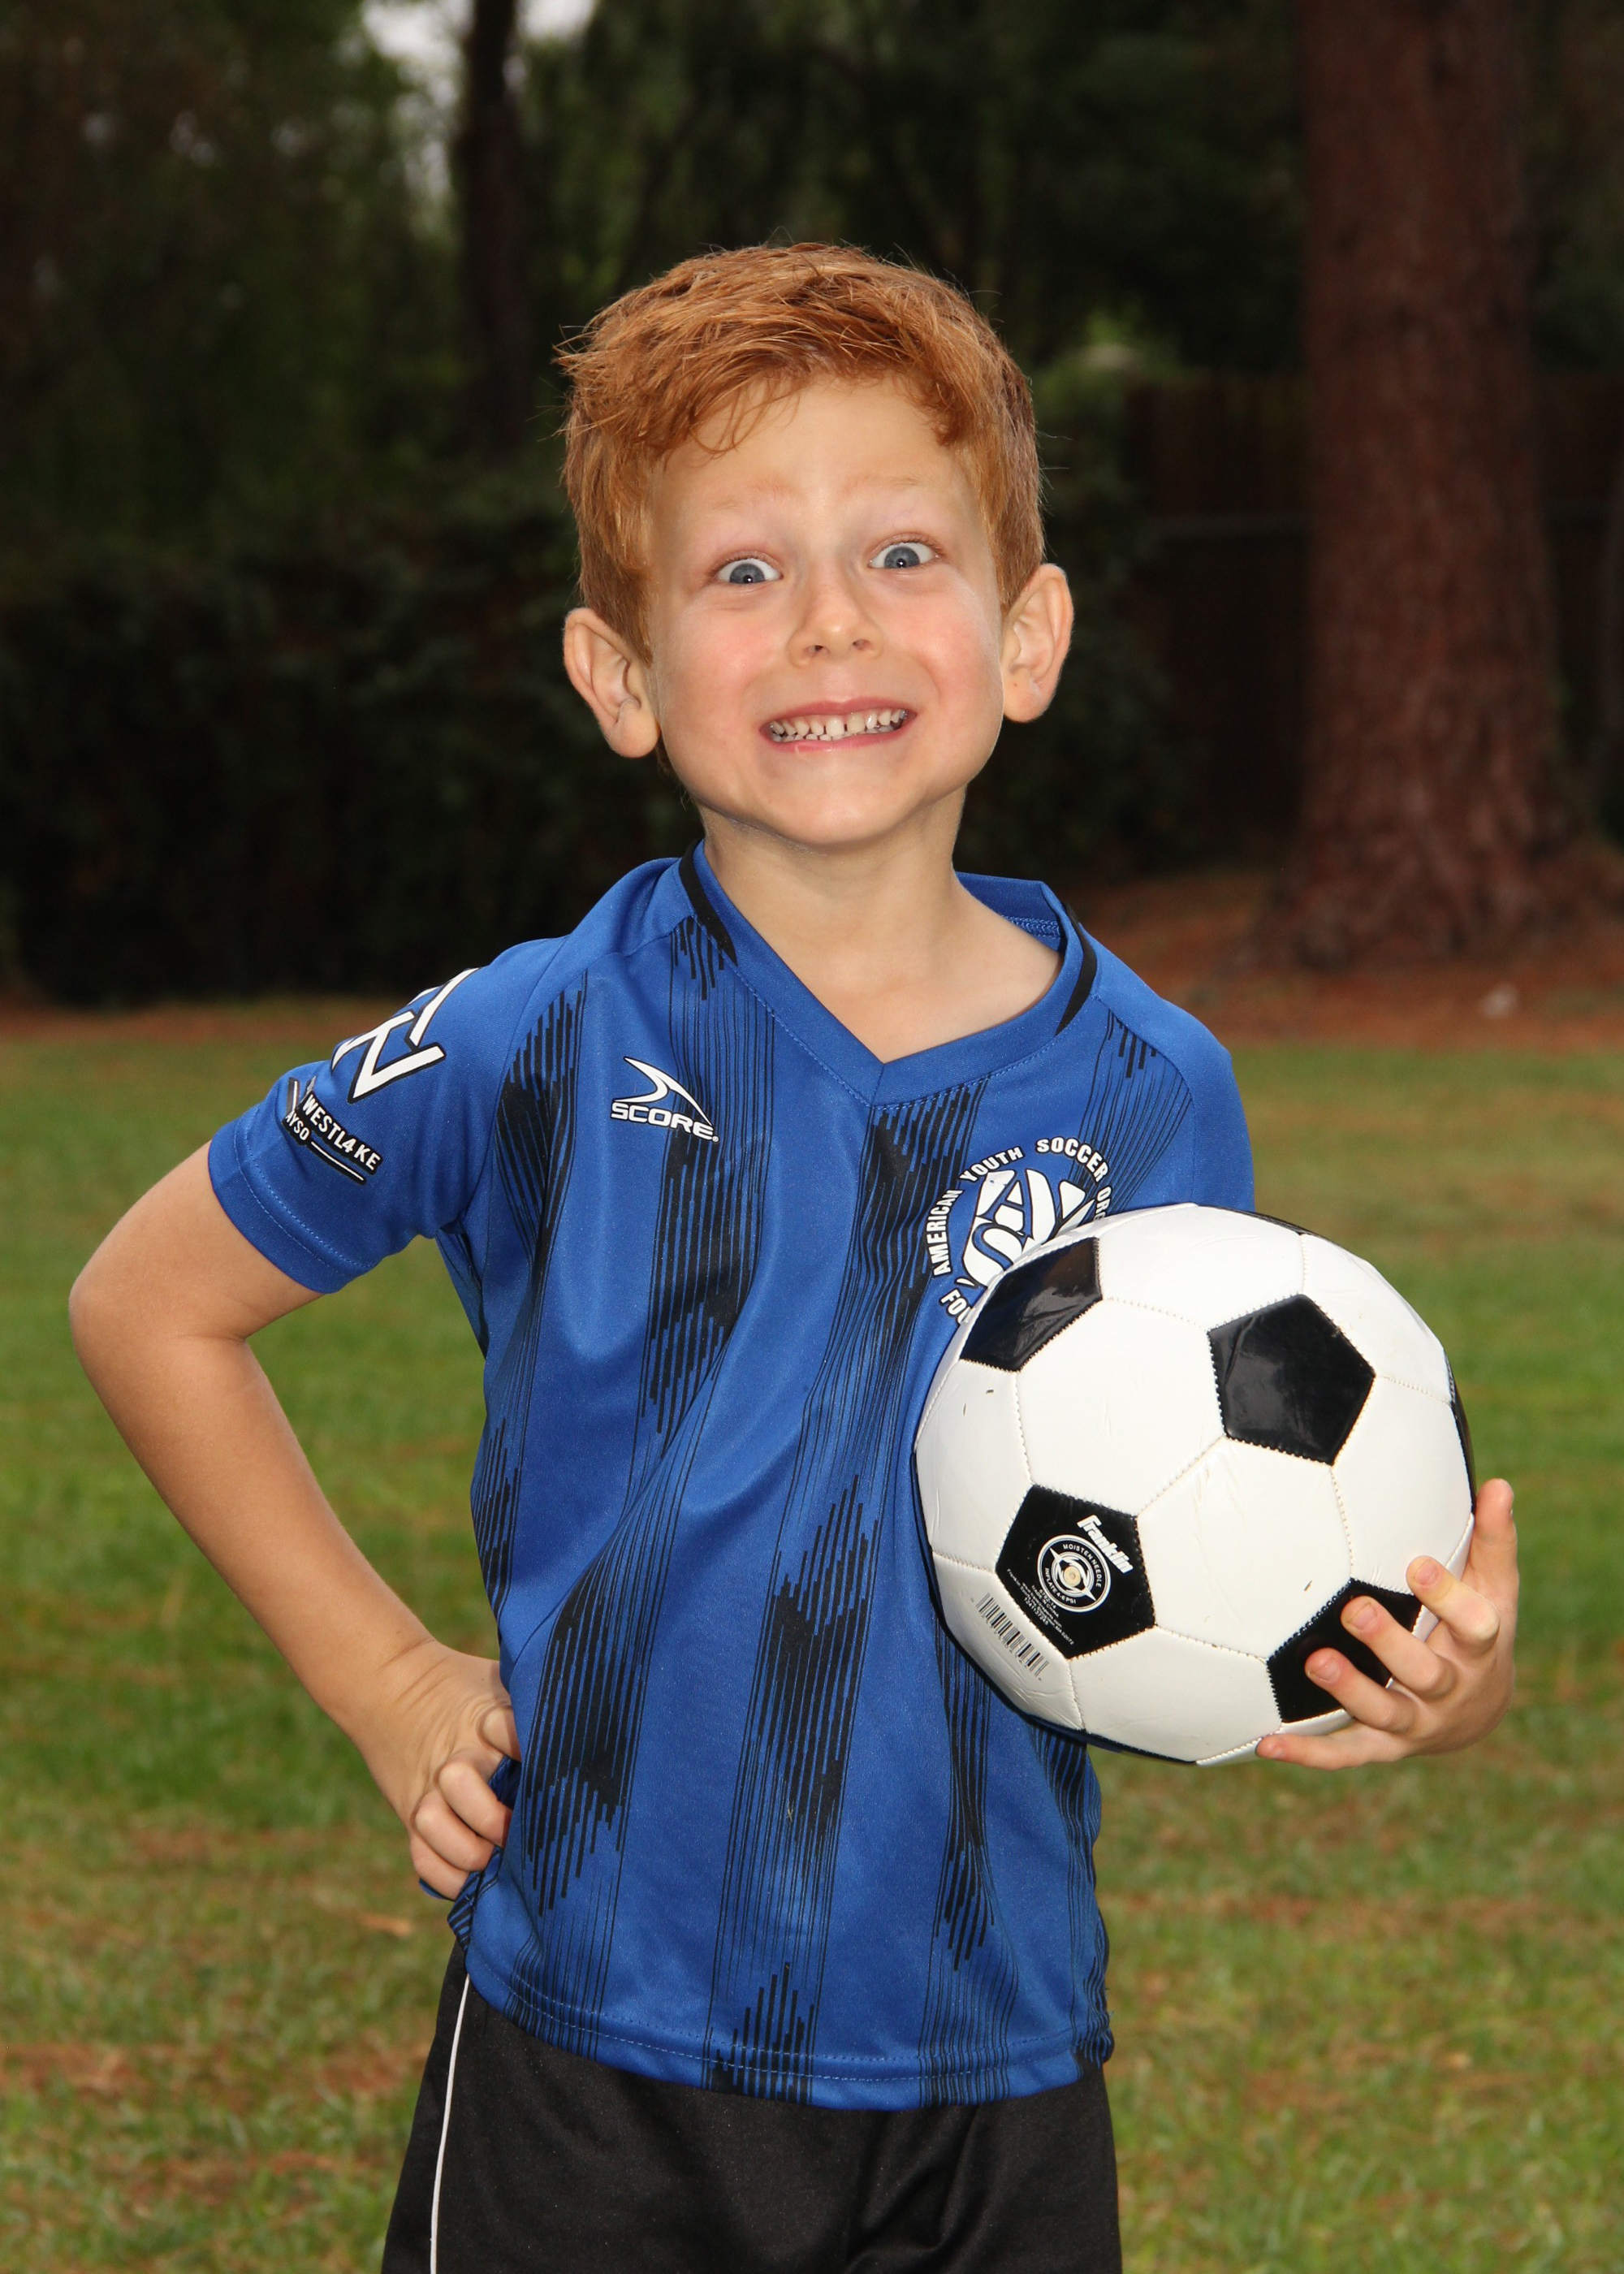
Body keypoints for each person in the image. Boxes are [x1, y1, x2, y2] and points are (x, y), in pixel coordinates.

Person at [70, 244, 1519, 2274]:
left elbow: (1229, 1530)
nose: (830, 616)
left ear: (1027, 636)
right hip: (590, 2040)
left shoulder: (1149, 1088)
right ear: (621, 674)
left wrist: (1424, 1673)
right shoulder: (536, 1031)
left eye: (903, 552)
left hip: (993, 2064)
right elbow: (149, 1301)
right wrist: (390, 1682)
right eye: (743, 568)